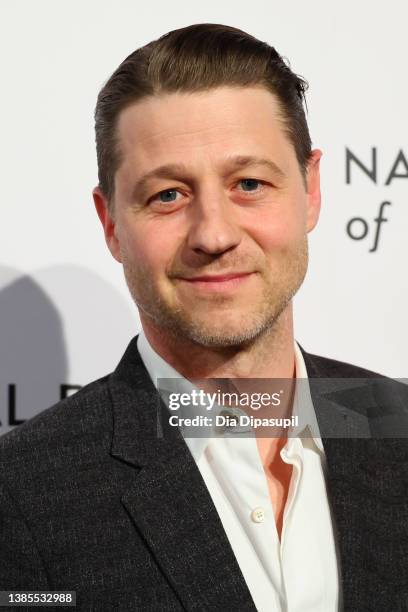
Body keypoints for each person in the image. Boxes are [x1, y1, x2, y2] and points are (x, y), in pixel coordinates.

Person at [0, 23, 407, 612]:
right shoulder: (23, 498)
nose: (214, 234)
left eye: (249, 183)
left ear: (311, 190)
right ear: (110, 221)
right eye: (167, 195)